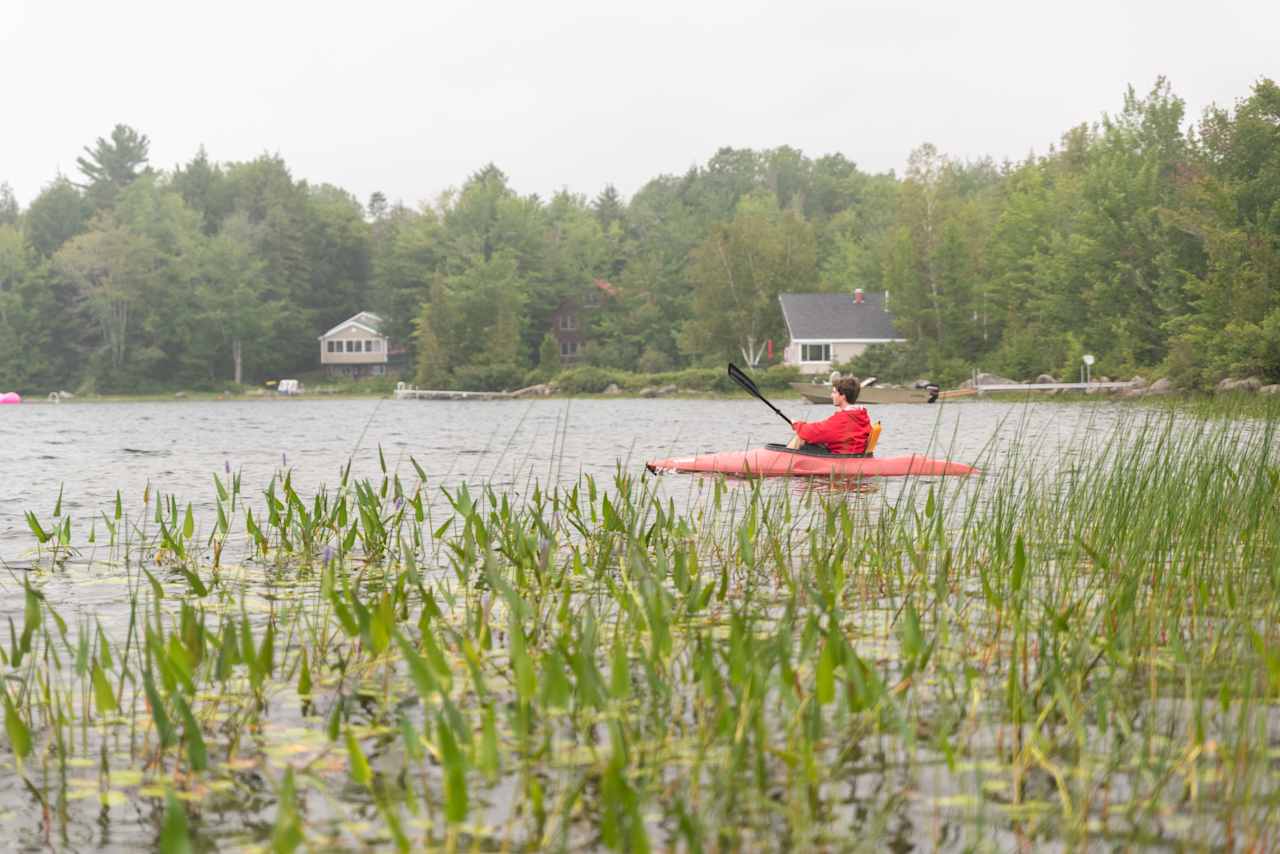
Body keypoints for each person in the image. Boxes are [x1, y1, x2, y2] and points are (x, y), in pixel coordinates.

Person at [787, 376, 871, 454]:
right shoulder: (860, 415)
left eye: (834, 392)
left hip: (839, 458)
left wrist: (796, 424)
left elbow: (817, 431)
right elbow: (825, 430)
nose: (831, 395)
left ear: (843, 396)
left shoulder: (844, 419)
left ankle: (784, 462)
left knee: (800, 437)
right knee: (805, 438)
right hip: (849, 454)